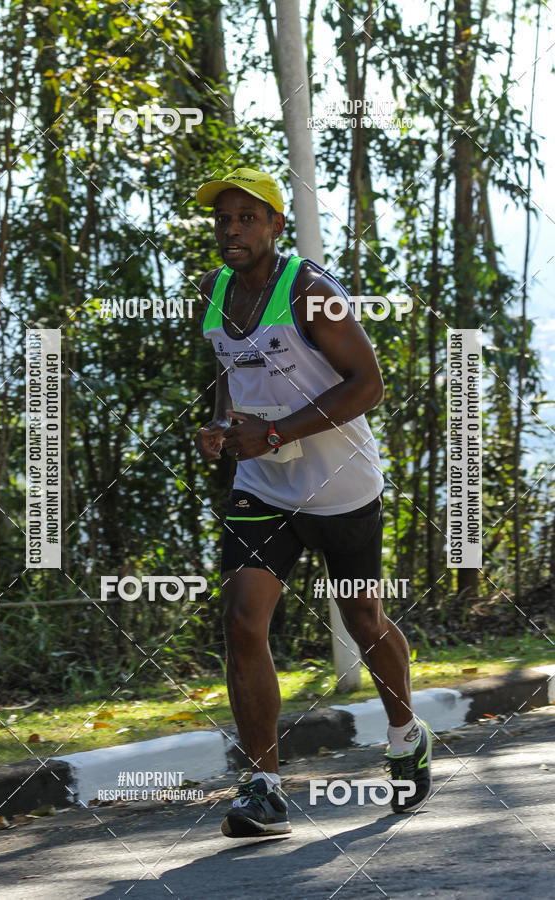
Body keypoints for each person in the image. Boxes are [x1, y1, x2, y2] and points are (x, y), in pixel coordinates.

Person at [194, 167, 431, 838]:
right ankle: (265, 788)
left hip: (342, 486)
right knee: (243, 620)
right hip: (263, 488)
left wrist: (273, 431)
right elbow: (230, 379)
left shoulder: (311, 292)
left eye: (247, 217)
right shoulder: (215, 294)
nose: (232, 229)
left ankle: (406, 731)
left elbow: (368, 386)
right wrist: (225, 432)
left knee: (361, 617)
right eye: (223, 219)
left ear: (275, 226)